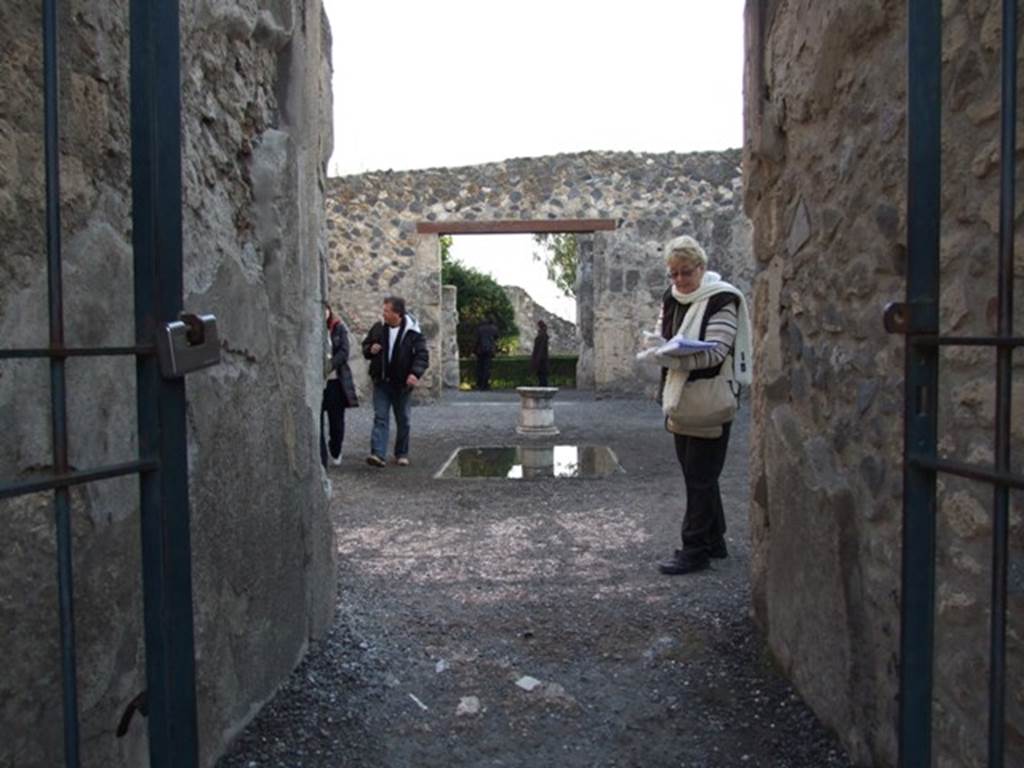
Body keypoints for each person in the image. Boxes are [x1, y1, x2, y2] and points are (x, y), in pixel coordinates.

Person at [643, 235, 752, 575]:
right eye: (673, 273)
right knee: (698, 473)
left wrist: (669, 359)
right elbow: (667, 336)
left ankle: (694, 550)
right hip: (680, 397)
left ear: (702, 268)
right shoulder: (672, 298)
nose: (678, 280)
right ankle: (714, 539)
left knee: (700, 476)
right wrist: (659, 347)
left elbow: (717, 352)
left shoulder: (722, 299)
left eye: (685, 272)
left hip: (710, 396)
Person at [361, 296, 429, 467]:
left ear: (397, 313)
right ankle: (378, 454)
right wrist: (370, 349)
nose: (383, 313)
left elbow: (422, 356)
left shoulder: (413, 332)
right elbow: (366, 347)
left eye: (387, 310)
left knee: (403, 419)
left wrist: (415, 373)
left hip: (402, 384)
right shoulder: (378, 328)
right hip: (382, 381)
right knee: (380, 418)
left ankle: (401, 452)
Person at [321, 305, 358, 467]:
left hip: (335, 383)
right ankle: (320, 457)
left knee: (336, 423)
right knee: (317, 423)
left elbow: (344, 351)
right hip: (318, 384)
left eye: (326, 309)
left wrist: (330, 365)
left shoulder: (338, 328)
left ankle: (335, 449)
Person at [472, 317, 499, 390]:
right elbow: (496, 338)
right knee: (487, 368)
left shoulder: (480, 329)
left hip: (480, 351)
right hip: (489, 350)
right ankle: (485, 384)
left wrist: (474, 351)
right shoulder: (494, 329)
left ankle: (479, 384)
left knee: (480, 367)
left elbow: (477, 340)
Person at [530, 320, 550, 386]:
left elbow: (540, 349)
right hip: (541, 359)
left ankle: (543, 389)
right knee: (541, 376)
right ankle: (542, 387)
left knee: (542, 376)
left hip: (541, 360)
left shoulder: (542, 336)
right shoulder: (543, 335)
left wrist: (537, 359)